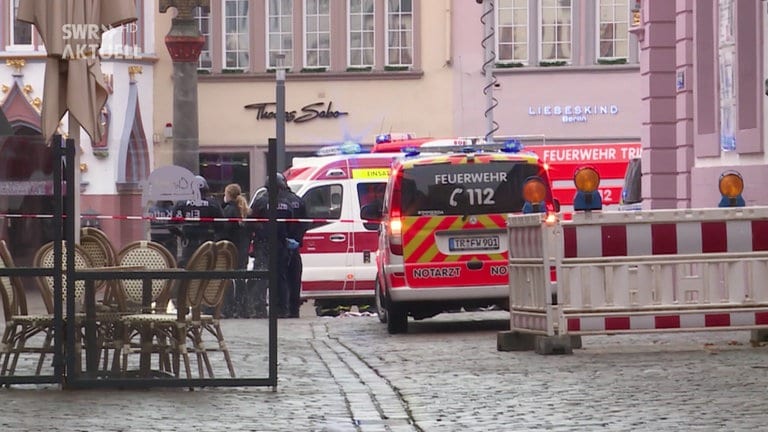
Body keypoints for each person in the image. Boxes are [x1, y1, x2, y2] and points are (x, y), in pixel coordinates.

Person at [249, 173, 294, 318]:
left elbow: (250, 221)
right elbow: (291, 225)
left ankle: (259, 308)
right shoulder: (286, 204)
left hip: (263, 244)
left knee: (261, 277)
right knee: (280, 277)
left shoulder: (260, 202)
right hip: (281, 245)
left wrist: (259, 229)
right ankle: (282, 309)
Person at [170, 175, 224, 267]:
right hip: (208, 243)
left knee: (188, 269)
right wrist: (214, 235)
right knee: (207, 268)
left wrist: (182, 235)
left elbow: (172, 225)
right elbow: (221, 224)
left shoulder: (182, 203)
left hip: (189, 243)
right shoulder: (213, 203)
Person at [218, 183, 251, 318]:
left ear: (228, 195)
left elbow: (224, 231)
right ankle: (242, 308)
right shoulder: (245, 211)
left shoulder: (229, 210)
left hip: (231, 250)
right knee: (240, 279)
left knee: (229, 279)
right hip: (243, 249)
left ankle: (229, 308)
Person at [283, 180, 307, 318]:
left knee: (282, 279)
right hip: (294, 247)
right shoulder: (299, 200)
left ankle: (284, 309)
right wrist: (297, 240)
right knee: (295, 279)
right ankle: (294, 310)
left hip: (280, 246)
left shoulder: (276, 201)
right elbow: (305, 224)